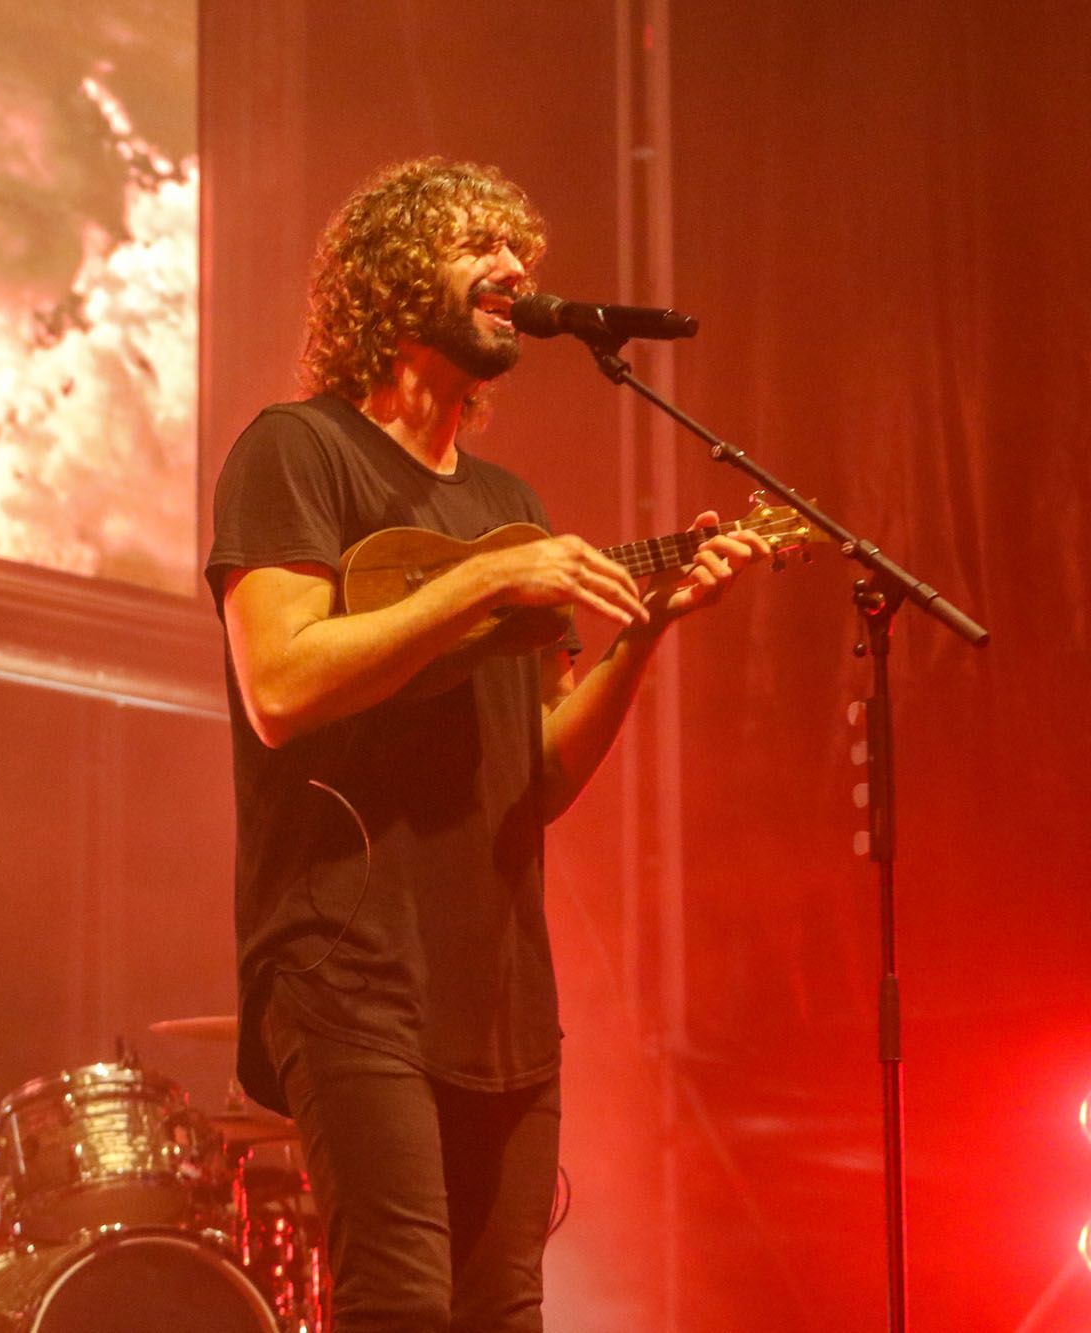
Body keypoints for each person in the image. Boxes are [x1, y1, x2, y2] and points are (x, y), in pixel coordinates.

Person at [206, 157, 768, 1332]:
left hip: (501, 985)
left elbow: (541, 772)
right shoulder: (296, 451)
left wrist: (642, 638)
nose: (513, 270)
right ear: (390, 277)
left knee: (505, 1311)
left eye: (521, 253)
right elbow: (278, 680)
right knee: (400, 1307)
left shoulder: (508, 497)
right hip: (345, 963)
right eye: (477, 246)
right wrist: (487, 579)